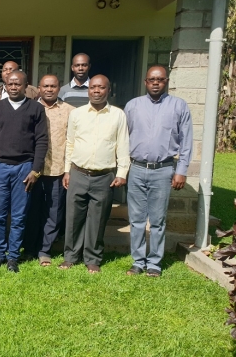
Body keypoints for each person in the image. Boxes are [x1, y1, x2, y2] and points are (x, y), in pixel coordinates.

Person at [124, 66, 192, 277]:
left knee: (158, 220)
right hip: (136, 168)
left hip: (163, 170)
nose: (156, 83)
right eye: (152, 79)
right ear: (145, 82)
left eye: (160, 79)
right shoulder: (133, 106)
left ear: (166, 81)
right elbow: (122, 138)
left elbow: (186, 141)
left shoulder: (179, 106)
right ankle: (137, 261)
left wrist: (181, 170)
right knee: (135, 219)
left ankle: (154, 263)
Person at [59, 75, 129, 274]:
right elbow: (70, 144)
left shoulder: (118, 115)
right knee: (73, 218)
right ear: (88, 90)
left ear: (108, 90)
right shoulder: (77, 114)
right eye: (93, 87)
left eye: (101, 88)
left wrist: (122, 172)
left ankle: (92, 258)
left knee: (97, 220)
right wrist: (67, 171)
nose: (96, 91)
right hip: (78, 173)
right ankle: (70, 256)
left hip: (104, 176)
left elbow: (123, 145)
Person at [0, 71, 48, 273]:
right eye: (10, 84)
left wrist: (35, 170)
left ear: (25, 86)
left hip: (24, 168)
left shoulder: (36, 109)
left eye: (17, 84)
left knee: (19, 216)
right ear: (5, 85)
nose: (13, 87)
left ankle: (13, 257)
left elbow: (41, 141)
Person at [22, 75, 75, 266]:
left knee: (53, 213)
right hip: (31, 170)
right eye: (46, 86)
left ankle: (45, 250)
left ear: (59, 88)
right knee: (30, 211)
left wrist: (68, 170)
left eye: (53, 86)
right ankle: (28, 248)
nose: (50, 89)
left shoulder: (70, 111)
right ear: (39, 88)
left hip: (57, 169)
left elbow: (72, 142)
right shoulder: (28, 107)